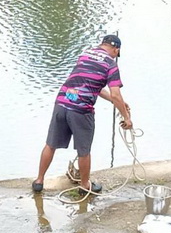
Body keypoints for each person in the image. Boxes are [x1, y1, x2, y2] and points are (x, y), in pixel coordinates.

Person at [32, 34, 132, 194]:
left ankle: (39, 181)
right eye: (117, 53)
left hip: (62, 102)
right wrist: (126, 118)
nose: (115, 56)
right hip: (81, 110)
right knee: (83, 151)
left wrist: (116, 103)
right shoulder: (110, 64)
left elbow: (93, 86)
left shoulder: (86, 54)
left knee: (50, 145)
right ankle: (85, 186)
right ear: (116, 49)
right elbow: (115, 94)